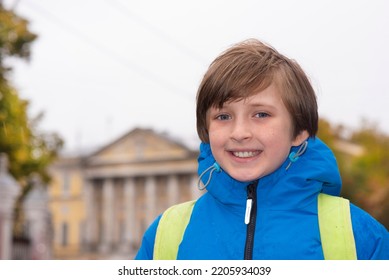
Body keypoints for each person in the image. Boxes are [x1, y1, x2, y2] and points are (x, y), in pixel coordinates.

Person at [135, 39, 389, 260]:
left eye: (261, 114)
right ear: (206, 130)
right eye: (223, 117)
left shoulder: (361, 236)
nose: (239, 132)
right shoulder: (166, 234)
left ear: (299, 131)